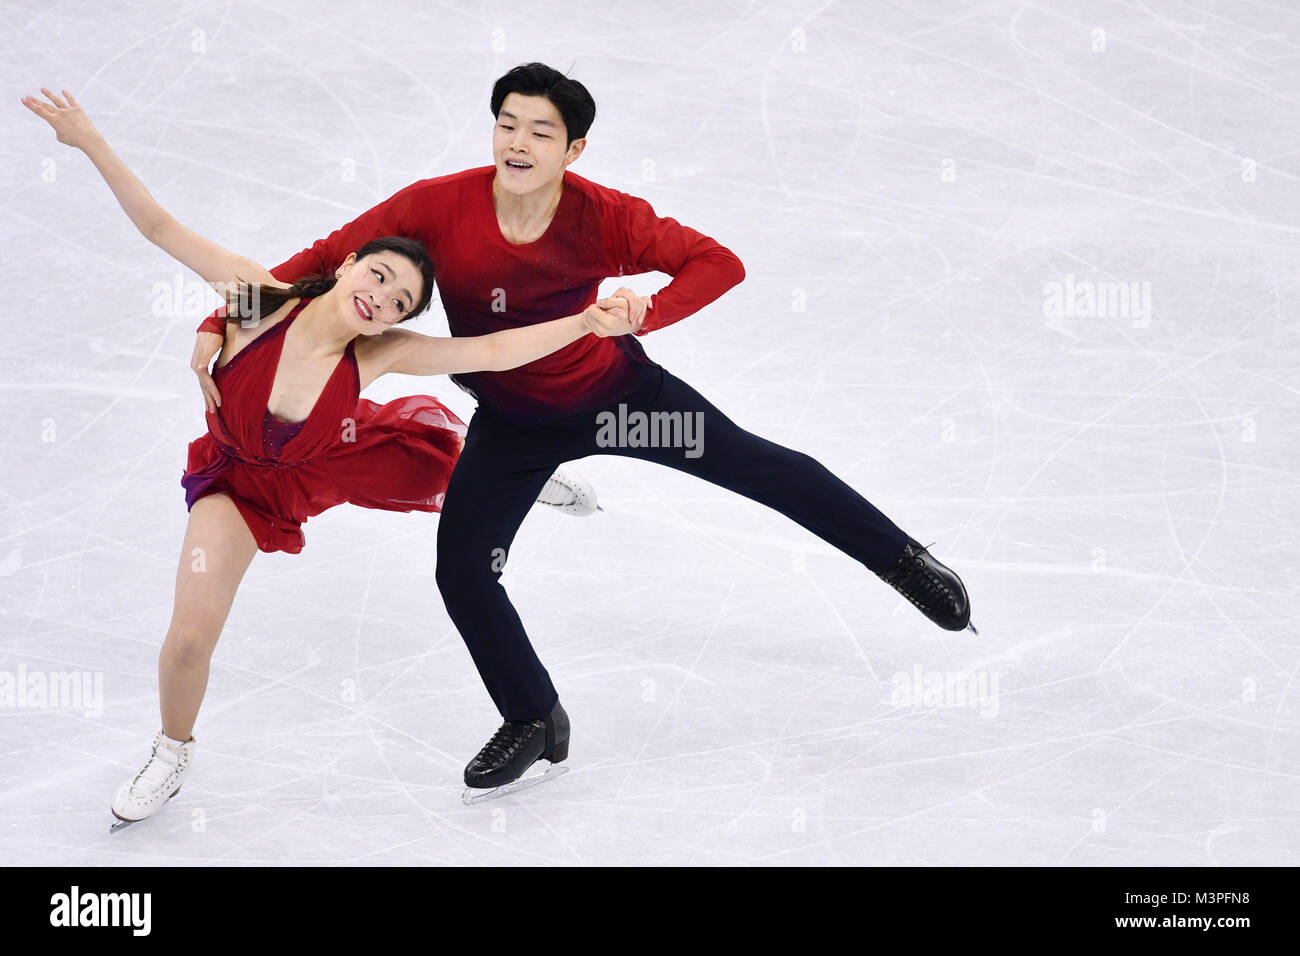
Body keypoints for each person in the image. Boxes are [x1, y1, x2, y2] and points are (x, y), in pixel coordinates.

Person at [194, 62, 976, 799]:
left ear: (574, 148)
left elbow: (718, 262)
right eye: (507, 125)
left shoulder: (604, 217)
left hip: (619, 399)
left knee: (762, 468)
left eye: (540, 132)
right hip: (511, 425)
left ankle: (903, 562)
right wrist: (217, 319)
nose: (518, 144)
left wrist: (650, 311)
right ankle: (535, 718)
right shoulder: (434, 206)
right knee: (463, 572)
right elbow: (318, 265)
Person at [21, 87, 642, 826]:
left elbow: (496, 348)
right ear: (348, 265)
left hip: (331, 452)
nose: (383, 298)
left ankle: (529, 481)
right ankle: (171, 751)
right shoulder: (256, 300)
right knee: (190, 635)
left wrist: (584, 322)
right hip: (241, 484)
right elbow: (160, 226)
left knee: (429, 460)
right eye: (378, 276)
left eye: (401, 301)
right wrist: (89, 140)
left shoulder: (378, 355)